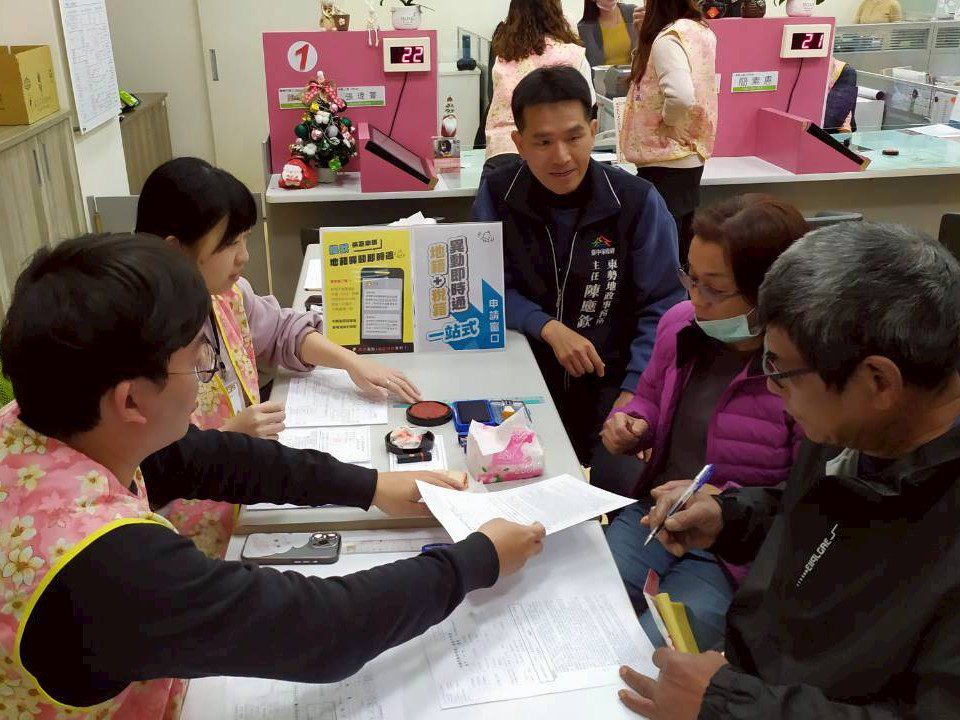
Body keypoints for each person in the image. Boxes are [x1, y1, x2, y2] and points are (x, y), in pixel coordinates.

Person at [0, 233, 546, 719]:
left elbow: (214, 458)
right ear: (131, 400)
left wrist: (372, 487)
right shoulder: (109, 567)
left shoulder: (47, 427)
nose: (204, 377)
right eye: (197, 360)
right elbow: (326, 629)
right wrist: (477, 560)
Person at [615, 222, 960, 718]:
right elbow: (822, 523)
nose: (772, 388)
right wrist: (728, 517)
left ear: (879, 381)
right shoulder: (861, 431)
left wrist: (727, 705)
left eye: (781, 371)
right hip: (755, 671)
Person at [135, 158, 422, 557]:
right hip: (190, 536)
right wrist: (228, 436)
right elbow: (151, 469)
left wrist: (351, 361)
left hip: (249, 496)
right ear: (174, 250)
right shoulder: (141, 340)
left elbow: (283, 330)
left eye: (245, 240)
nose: (244, 257)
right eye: (229, 244)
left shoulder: (227, 295)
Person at [601, 195, 806, 651]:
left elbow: (804, 496)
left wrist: (725, 505)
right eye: (691, 278)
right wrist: (633, 423)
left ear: (770, 293)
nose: (695, 299)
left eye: (715, 289)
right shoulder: (680, 325)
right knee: (585, 606)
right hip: (657, 513)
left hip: (733, 554)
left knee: (653, 651)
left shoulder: (798, 372)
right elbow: (650, 396)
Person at [472, 66, 684, 492]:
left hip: (613, 382)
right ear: (518, 143)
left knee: (624, 488)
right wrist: (548, 327)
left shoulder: (637, 202)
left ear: (593, 128)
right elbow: (485, 286)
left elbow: (664, 306)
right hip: (521, 374)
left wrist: (636, 392)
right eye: (543, 142)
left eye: (574, 137)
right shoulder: (498, 194)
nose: (562, 157)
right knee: (506, 486)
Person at [620, 0, 717, 263]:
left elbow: (681, 95)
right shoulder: (700, 31)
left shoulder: (668, 40)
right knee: (679, 245)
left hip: (665, 158)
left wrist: (669, 123)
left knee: (661, 252)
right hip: (688, 154)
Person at [484, 0, 596, 174]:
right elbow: (589, 104)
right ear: (556, 12)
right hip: (552, 157)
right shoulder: (573, 55)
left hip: (500, 153)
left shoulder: (503, 58)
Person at [578, 0, 642, 68]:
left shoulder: (632, 12)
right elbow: (593, 66)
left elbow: (644, 51)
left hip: (635, 73)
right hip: (605, 74)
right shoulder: (585, 28)